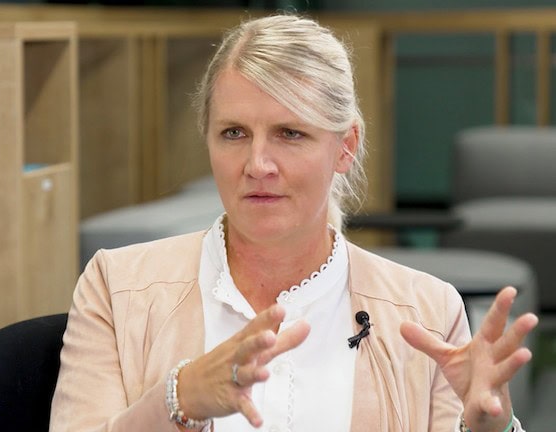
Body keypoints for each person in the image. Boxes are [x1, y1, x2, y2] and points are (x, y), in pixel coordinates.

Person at [50, 14, 538, 432]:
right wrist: (180, 397)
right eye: (234, 133)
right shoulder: (117, 287)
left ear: (345, 147)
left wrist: (488, 429)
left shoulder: (428, 310)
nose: (257, 164)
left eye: (289, 133)